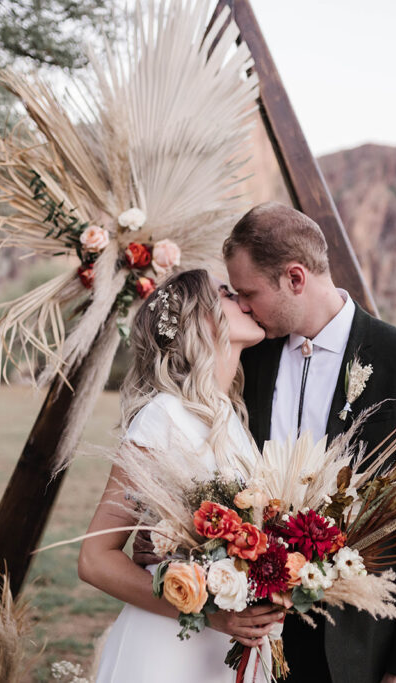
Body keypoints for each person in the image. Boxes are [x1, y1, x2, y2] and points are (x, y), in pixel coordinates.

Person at [223, 202, 396, 683]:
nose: (242, 306)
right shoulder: (251, 356)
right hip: (252, 635)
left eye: (249, 292)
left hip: (353, 647)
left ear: (295, 278)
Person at [77, 269, 281, 682]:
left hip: (229, 648)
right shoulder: (163, 417)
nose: (242, 300)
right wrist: (208, 615)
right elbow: (95, 559)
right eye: (225, 293)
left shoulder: (229, 418)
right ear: (200, 320)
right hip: (171, 646)